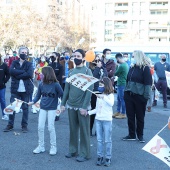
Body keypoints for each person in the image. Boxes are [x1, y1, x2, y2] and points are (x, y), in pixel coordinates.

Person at [61, 49, 93, 162]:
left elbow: (89, 90)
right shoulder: (71, 72)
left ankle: (85, 153)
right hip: (71, 105)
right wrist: (63, 104)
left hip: (82, 106)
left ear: (84, 58)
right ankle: (73, 150)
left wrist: (84, 107)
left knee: (84, 131)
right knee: (73, 129)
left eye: (78, 56)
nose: (76, 58)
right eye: (74, 56)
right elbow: (66, 89)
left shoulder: (88, 71)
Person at [28, 66, 63, 155]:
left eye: (42, 73)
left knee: (50, 127)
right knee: (40, 127)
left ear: (47, 74)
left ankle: (53, 147)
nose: (40, 75)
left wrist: (61, 104)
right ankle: (41, 146)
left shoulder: (56, 84)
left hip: (52, 108)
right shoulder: (41, 84)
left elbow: (61, 94)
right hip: (43, 107)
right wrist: (33, 102)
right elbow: (38, 95)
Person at [122, 50, 152, 143]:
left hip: (140, 96)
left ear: (138, 56)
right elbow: (127, 81)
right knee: (130, 116)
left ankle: (140, 135)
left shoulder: (145, 68)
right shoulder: (132, 67)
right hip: (129, 95)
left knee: (140, 117)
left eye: (134, 56)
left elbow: (148, 84)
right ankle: (131, 134)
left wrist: (145, 97)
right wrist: (125, 93)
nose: (132, 58)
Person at [3, 46, 34, 132]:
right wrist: (23, 72)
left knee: (25, 108)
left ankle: (24, 125)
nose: (24, 54)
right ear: (19, 53)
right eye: (22, 52)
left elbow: (29, 74)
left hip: (26, 89)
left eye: (25, 53)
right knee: (12, 107)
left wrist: (17, 74)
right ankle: (10, 124)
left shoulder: (29, 64)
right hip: (15, 89)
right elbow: (11, 71)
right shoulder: (14, 62)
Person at [88, 77, 114, 167]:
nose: (99, 87)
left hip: (107, 120)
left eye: (101, 85)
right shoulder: (98, 96)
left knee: (107, 140)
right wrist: (88, 113)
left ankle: (108, 157)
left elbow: (111, 103)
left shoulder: (110, 95)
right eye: (99, 85)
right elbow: (96, 109)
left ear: (106, 86)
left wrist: (103, 97)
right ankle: (100, 156)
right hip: (98, 119)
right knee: (99, 140)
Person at [90, 58, 107, 136]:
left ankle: (98, 130)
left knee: (100, 111)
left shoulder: (104, 69)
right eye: (97, 61)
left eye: (100, 61)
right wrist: (97, 68)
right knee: (93, 110)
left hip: (102, 92)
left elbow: (106, 78)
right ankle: (89, 129)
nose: (98, 63)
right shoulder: (91, 69)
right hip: (94, 91)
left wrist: (102, 68)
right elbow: (92, 77)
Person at [113, 53, 128, 119]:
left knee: (121, 99)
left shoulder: (122, 66)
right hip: (122, 83)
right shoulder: (126, 64)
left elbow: (115, 73)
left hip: (121, 83)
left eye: (117, 59)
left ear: (118, 58)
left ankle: (123, 113)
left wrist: (116, 66)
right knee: (119, 99)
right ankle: (118, 111)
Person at [0, 54, 10, 120]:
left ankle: (4, 114)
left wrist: (5, 81)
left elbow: (8, 74)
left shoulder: (4, 65)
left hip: (2, 87)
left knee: (3, 101)